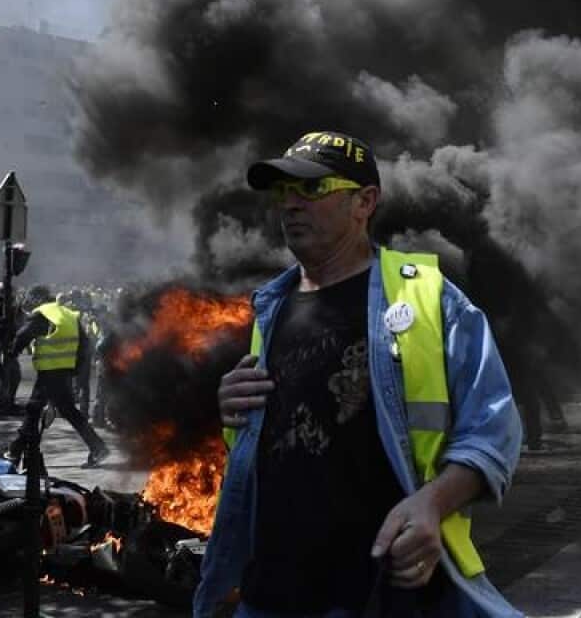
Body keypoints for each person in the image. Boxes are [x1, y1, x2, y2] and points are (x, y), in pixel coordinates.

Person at [198, 131, 522, 617]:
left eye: (311, 189)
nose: (290, 205)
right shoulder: (272, 306)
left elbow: (494, 430)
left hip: (381, 595)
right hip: (271, 594)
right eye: (283, 192)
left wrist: (434, 503)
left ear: (364, 202)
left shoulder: (428, 299)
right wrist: (232, 412)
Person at [2, 285, 109, 469]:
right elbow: (84, 344)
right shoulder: (67, 314)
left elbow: (23, 335)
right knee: (65, 411)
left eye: (30, 298)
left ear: (37, 298)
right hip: (63, 370)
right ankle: (15, 450)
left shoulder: (42, 313)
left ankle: (13, 453)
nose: (28, 302)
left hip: (50, 371)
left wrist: (11, 354)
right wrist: (74, 368)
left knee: (34, 409)